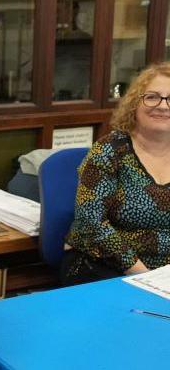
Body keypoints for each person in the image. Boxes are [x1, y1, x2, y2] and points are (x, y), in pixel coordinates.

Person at [63, 62, 170, 285]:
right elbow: (91, 224)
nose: (162, 106)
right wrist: (145, 276)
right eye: (152, 97)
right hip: (104, 264)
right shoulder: (108, 151)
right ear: (134, 104)